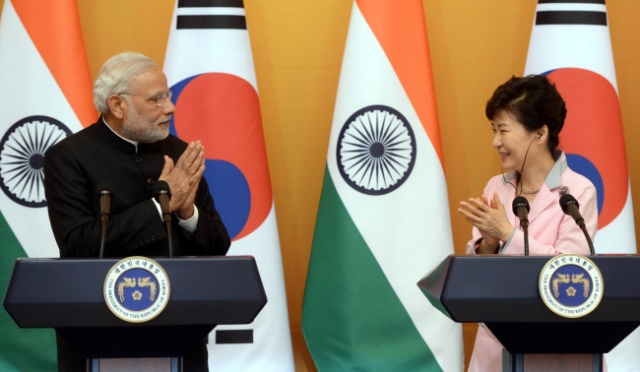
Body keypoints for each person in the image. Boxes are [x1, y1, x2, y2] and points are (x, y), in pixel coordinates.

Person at [44, 52, 231, 371]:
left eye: (168, 96)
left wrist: (187, 214)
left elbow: (218, 246)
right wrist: (160, 208)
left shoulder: (180, 153)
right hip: (97, 328)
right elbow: (78, 244)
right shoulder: (69, 157)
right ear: (118, 105)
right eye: (156, 100)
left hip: (178, 327)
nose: (170, 107)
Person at [457, 75, 598, 372]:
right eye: (493, 130)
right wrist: (489, 244)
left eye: (503, 130)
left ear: (540, 133)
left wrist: (507, 235)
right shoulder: (497, 186)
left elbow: (573, 273)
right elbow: (478, 281)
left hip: (557, 349)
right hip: (496, 348)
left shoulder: (577, 190)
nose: (495, 142)